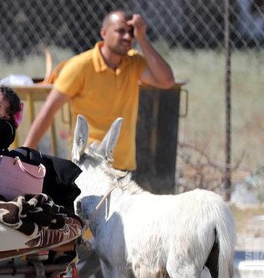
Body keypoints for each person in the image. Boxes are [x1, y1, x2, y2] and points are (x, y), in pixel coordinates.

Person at [23, 10, 174, 172]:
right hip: (89, 166)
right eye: (120, 31)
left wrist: (142, 39)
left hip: (123, 167)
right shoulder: (80, 66)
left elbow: (166, 81)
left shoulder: (134, 62)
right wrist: (24, 154)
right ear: (104, 33)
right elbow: (48, 111)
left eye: (131, 32)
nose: (127, 37)